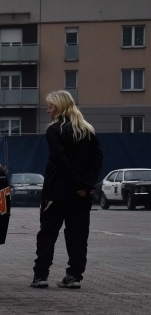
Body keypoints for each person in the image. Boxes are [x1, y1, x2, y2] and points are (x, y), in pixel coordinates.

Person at [31, 90, 103, 290]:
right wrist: (86, 186)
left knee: (47, 233)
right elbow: (97, 161)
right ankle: (74, 276)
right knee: (78, 235)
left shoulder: (54, 130)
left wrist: (79, 184)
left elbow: (62, 161)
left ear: (61, 107)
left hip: (56, 192)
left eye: (51, 106)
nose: (48, 111)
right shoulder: (88, 130)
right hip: (81, 195)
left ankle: (40, 275)